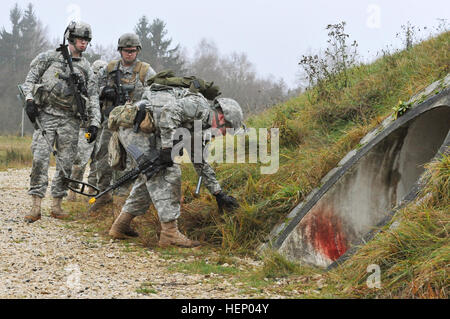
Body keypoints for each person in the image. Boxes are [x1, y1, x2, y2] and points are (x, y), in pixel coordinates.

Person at [108, 83, 242, 248]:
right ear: (222, 119)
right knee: (169, 174)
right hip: (133, 128)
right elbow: (168, 113)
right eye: (227, 130)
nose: (224, 135)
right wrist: (167, 147)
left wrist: (218, 193)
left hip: (144, 132)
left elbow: (200, 162)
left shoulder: (203, 128)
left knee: (150, 175)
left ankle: (120, 226)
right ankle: (170, 234)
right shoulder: (198, 105)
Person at [21, 21, 101, 223]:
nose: (84, 43)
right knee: (40, 158)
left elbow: (93, 97)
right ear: (71, 38)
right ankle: (35, 206)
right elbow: (29, 81)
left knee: (65, 164)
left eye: (87, 40)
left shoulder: (85, 68)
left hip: (70, 120)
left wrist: (95, 123)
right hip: (46, 115)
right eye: (81, 39)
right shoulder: (49, 58)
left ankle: (57, 204)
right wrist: (29, 100)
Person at [91, 33, 155, 213]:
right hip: (110, 123)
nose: (130, 54)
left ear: (138, 51)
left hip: (134, 127)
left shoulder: (145, 71)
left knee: (134, 162)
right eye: (126, 51)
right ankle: (103, 195)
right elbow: (93, 89)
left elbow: (155, 93)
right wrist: (105, 91)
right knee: (103, 157)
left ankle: (125, 199)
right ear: (120, 50)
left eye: (133, 51)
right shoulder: (109, 69)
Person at [67, 59, 107, 201]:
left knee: (98, 161)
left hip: (102, 129)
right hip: (87, 128)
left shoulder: (108, 86)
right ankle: (72, 191)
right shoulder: (85, 86)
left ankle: (92, 191)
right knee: (80, 159)